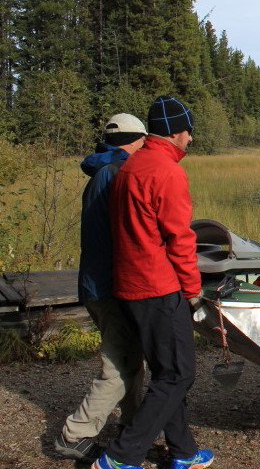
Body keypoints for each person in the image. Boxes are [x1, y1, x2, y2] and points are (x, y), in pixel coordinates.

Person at [92, 96, 213, 469]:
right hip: (159, 288)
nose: (190, 140)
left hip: (129, 286)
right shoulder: (166, 171)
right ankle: (120, 456)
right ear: (176, 133)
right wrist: (193, 291)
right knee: (179, 373)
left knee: (166, 372)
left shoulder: (130, 166)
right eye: (188, 132)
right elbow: (180, 239)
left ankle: (184, 452)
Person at [54, 114, 147, 464]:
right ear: (134, 140)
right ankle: (75, 434)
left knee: (130, 358)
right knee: (120, 365)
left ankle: (136, 428)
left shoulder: (101, 171)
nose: (145, 147)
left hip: (95, 283)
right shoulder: (119, 174)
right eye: (143, 141)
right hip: (111, 286)